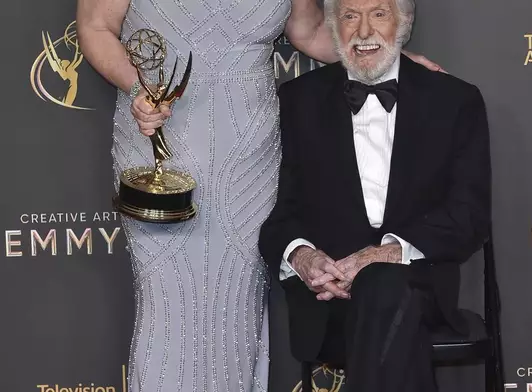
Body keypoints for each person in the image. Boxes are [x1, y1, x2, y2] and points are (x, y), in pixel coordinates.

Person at [75, 0, 444, 391]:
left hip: (248, 149)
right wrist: (138, 88)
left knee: (236, 303)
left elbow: (310, 31)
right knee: (168, 300)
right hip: (159, 139)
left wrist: (393, 60)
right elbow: (96, 27)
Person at [258, 0, 491, 390]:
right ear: (334, 27)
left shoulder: (455, 100)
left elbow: (469, 216)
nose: (364, 31)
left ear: (403, 24)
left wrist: (383, 254)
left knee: (386, 286)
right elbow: (279, 212)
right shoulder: (298, 101)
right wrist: (303, 257)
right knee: (389, 316)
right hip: (329, 302)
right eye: (350, 16)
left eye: (379, 14)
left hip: (420, 290)